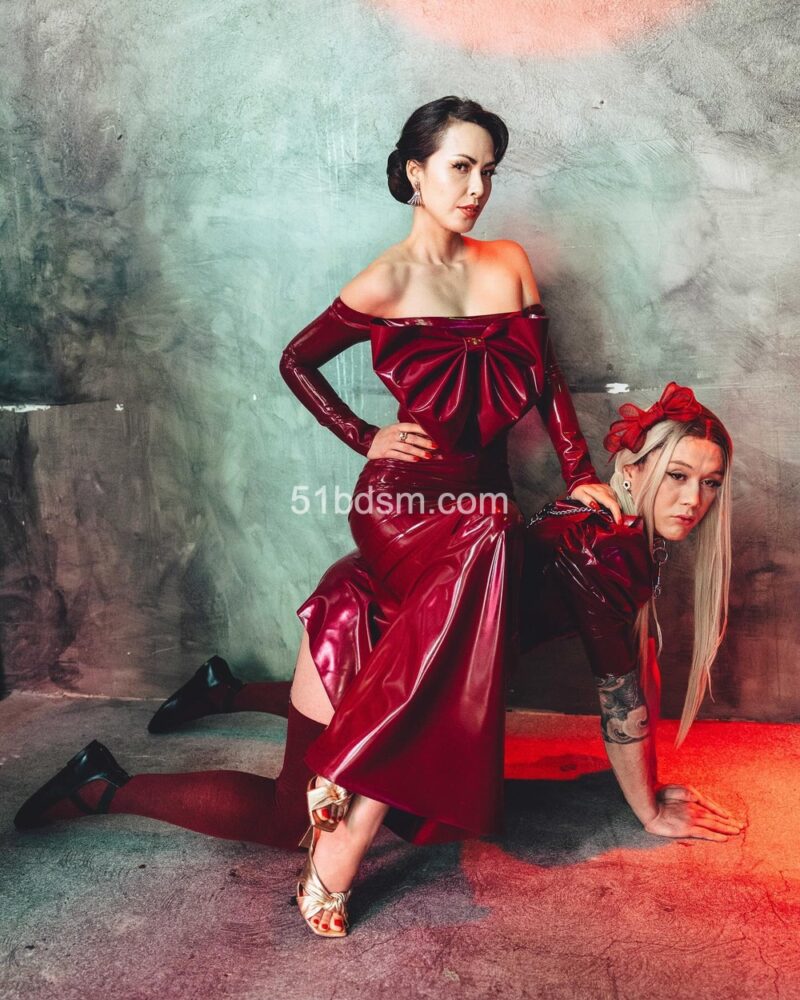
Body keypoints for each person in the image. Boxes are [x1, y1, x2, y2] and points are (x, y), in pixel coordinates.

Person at [13, 99, 744, 938]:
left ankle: (233, 704)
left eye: (488, 171)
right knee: (490, 530)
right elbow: (297, 360)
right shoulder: (385, 280)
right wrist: (365, 435)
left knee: (487, 531)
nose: (477, 188)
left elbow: (544, 381)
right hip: (401, 505)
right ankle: (145, 788)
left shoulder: (508, 264)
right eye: (460, 167)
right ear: (415, 173)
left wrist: (582, 475)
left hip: (475, 517)